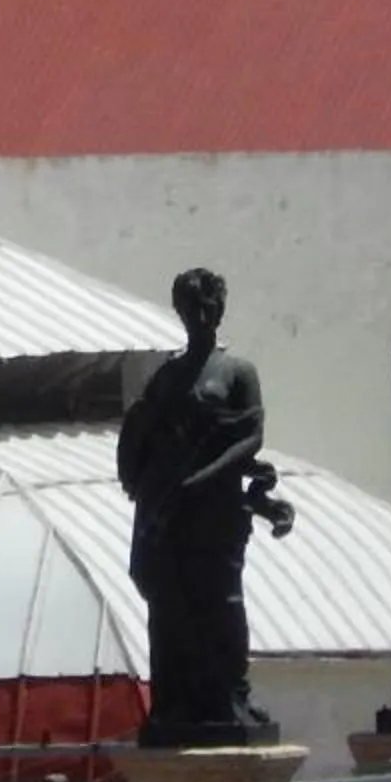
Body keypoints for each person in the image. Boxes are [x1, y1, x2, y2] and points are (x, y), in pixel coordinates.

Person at [115, 269, 284, 747]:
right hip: (168, 507)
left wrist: (206, 479)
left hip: (215, 509)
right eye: (191, 307)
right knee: (169, 604)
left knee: (221, 600)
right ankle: (176, 700)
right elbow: (140, 434)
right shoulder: (167, 375)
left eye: (209, 306)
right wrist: (146, 481)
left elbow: (251, 436)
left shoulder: (237, 372)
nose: (201, 315)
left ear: (221, 309)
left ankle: (229, 694)